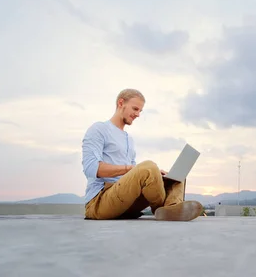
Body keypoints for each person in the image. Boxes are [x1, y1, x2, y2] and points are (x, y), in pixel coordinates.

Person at [81, 88, 203, 221]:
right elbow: (91, 168)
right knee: (149, 166)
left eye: (140, 111)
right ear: (121, 103)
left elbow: (134, 175)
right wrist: (137, 169)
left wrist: (156, 175)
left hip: (126, 201)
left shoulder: (129, 139)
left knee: (176, 177)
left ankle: (171, 208)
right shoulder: (99, 129)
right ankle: (161, 209)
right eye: (135, 109)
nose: (138, 114)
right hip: (100, 201)